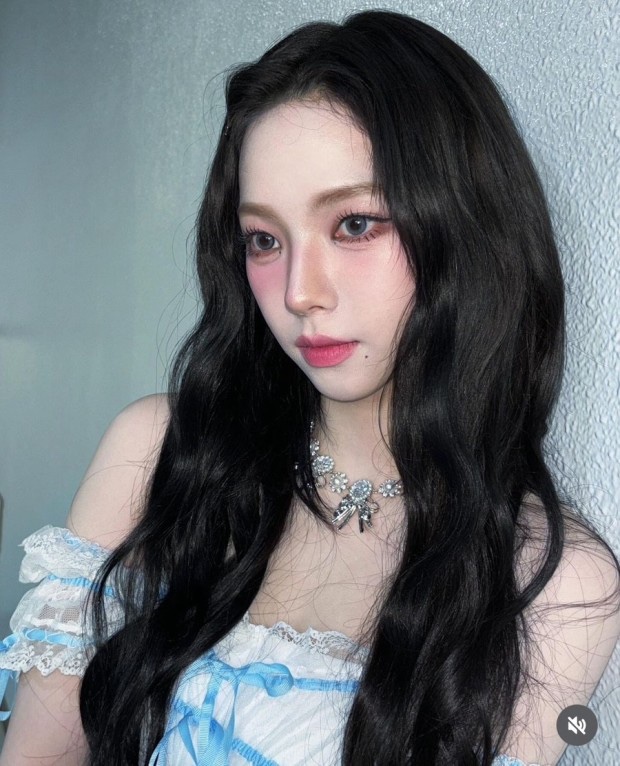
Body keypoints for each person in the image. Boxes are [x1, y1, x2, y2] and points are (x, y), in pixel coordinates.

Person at [1, 9, 619, 765]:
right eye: (264, 240)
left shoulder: (555, 581)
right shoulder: (159, 453)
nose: (300, 292)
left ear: (465, 228)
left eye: (355, 224)